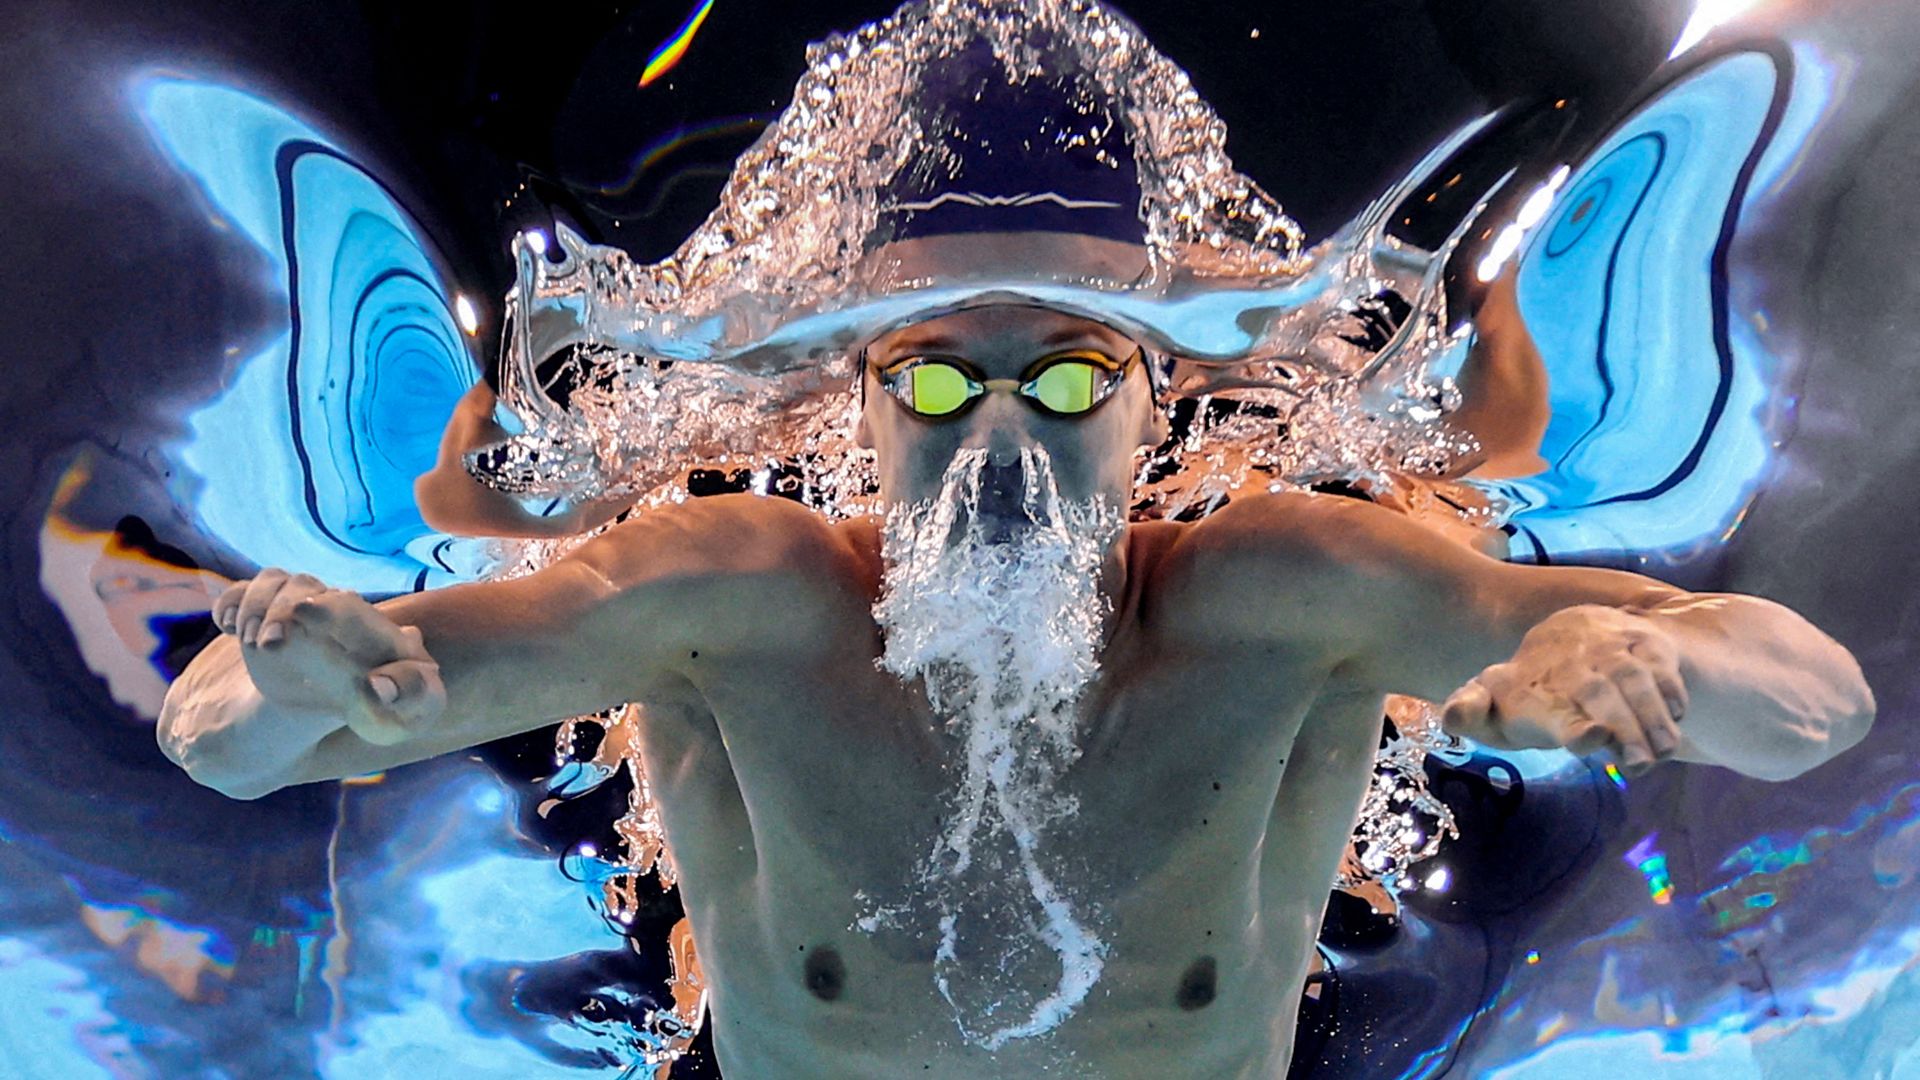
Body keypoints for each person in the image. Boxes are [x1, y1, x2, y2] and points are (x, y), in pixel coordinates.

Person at [156, 20, 1877, 1080]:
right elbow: (237, 744)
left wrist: (1643, 665)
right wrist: (286, 677)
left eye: (1066, 377)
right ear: (860, 396)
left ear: (1151, 406)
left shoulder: (1283, 600)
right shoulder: (729, 603)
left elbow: (1817, 709)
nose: (999, 438)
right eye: (931, 376)